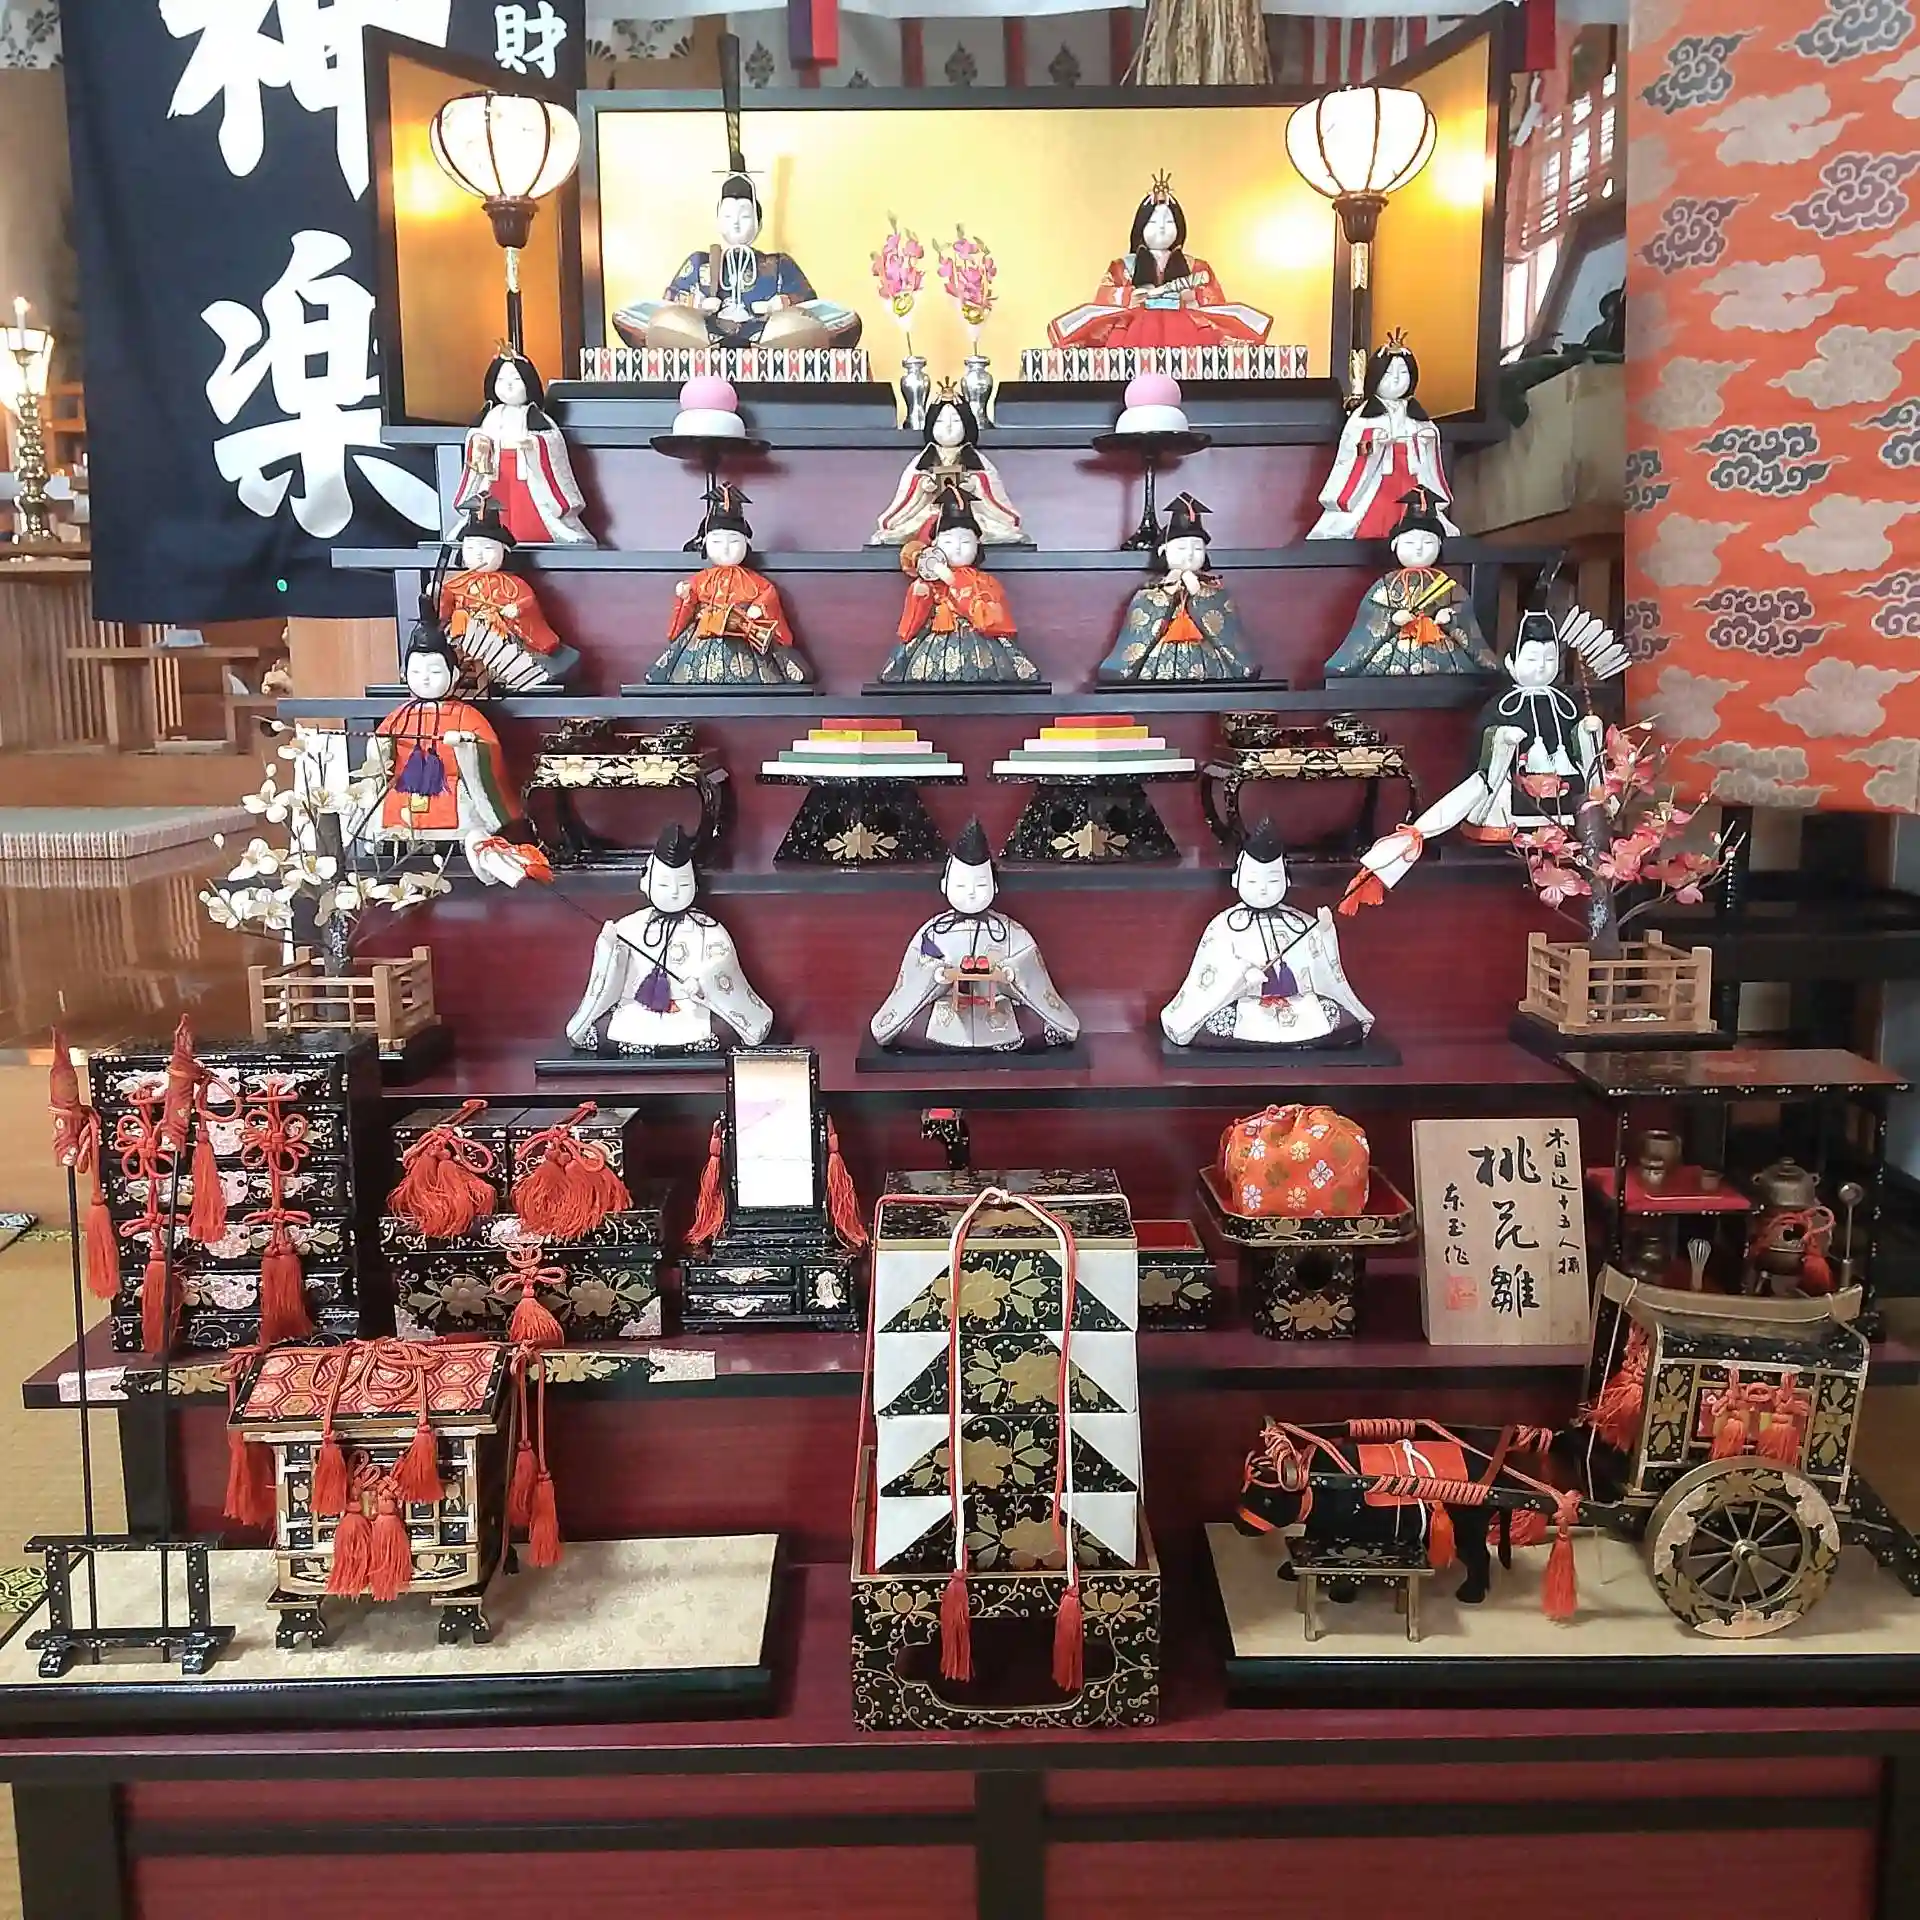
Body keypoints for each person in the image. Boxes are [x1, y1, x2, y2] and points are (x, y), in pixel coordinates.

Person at [1340, 592, 1628, 909]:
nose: (1541, 667)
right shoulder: (1501, 706)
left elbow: (1581, 749)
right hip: (1513, 788)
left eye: (1549, 660)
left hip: (1561, 796)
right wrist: (1503, 738)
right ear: (1512, 662)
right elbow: (1485, 756)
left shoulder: (1566, 704)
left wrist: (1587, 732)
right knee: (1503, 790)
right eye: (1532, 659)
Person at [365, 622, 549, 887]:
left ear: (453, 675)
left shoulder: (465, 715)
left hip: (449, 785)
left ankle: (469, 849)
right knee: (388, 807)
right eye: (416, 671)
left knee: (462, 811)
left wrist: (466, 745)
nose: (425, 678)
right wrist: (379, 748)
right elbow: (382, 747)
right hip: (406, 787)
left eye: (434, 671)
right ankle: (396, 849)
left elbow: (486, 748)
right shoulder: (399, 716)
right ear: (405, 674)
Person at [870, 820, 1080, 1053]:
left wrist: (1010, 973)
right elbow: (918, 968)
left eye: (980, 885)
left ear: (995, 887)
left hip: (999, 1007)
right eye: (961, 885)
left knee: (1035, 1026)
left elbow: (1028, 963)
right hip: (946, 1009)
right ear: (944, 885)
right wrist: (937, 974)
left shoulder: (1009, 930)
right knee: (913, 1028)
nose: (970, 894)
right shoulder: (934, 931)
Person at [565, 824, 774, 1056]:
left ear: (695, 884)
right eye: (664, 884)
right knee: (606, 1030)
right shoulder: (629, 926)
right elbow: (611, 970)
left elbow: (723, 967)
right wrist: (610, 947)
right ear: (646, 883)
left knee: (721, 1030)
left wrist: (701, 984)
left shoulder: (708, 930)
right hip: (637, 1009)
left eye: (683, 884)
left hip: (692, 1008)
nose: (674, 892)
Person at [1161, 823, 1373, 1050]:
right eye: (1253, 880)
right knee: (1220, 1023)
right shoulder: (1224, 925)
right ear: (1236, 879)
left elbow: (1320, 964)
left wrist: (1324, 932)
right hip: (1246, 1006)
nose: (1262, 889)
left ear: (1287, 881)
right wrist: (1243, 973)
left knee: (1335, 1017)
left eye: (1272, 881)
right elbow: (1211, 968)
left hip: (1297, 1005)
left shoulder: (1300, 923)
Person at [613, 173, 863, 351]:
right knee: (667, 320)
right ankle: (707, 351)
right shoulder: (700, 261)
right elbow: (671, 301)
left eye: (744, 216)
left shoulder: (779, 264)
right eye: (728, 216)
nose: (735, 223)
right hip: (703, 335)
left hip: (767, 335)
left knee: (801, 324)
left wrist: (777, 305)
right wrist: (698, 305)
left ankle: (763, 351)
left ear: (759, 223)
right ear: (717, 221)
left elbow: (807, 304)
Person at [1047, 173, 1272, 351]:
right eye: (1153, 223)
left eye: (1169, 222)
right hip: (1133, 329)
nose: (1162, 228)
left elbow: (1212, 298)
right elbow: (1106, 296)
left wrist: (1193, 297)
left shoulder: (1196, 266)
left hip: (1187, 328)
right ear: (1141, 227)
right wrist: (1128, 296)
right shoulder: (1123, 266)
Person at [645, 485, 811, 685]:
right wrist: (686, 595)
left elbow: (768, 594)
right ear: (705, 544)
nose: (725, 549)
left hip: (742, 631)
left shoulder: (754, 580)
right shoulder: (701, 579)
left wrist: (758, 607)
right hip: (705, 632)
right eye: (717, 542)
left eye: (733, 542)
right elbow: (689, 600)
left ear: (745, 545)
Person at [1323, 488, 1496, 677]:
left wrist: (1450, 617)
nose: (1419, 549)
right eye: (1410, 543)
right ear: (1394, 545)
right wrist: (1392, 618)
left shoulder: (1447, 585)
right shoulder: (1387, 584)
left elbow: (1463, 612)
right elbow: (1371, 613)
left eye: (1428, 543)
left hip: (1441, 650)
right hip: (1396, 651)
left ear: (1439, 545)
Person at [877, 487, 1039, 685]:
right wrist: (921, 593)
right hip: (936, 639)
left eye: (965, 541)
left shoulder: (986, 582)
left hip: (979, 644)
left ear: (978, 544)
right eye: (948, 541)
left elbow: (993, 617)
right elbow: (913, 621)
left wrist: (953, 583)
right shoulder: (931, 580)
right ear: (935, 544)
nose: (957, 548)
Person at [1308, 335, 1456, 542]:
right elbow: (1353, 449)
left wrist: (1424, 440)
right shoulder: (1363, 417)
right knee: (1372, 514)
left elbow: (1430, 441)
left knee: (1413, 513)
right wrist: (1376, 441)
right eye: (1388, 373)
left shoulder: (1416, 415)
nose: (1396, 379)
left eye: (1403, 373)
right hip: (1377, 475)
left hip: (1410, 474)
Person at [1098, 493, 1260, 681]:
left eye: (1197, 549)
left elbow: (1226, 626)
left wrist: (1198, 593)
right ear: (1163, 551)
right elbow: (1139, 625)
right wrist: (1166, 594)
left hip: (1209, 664)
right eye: (1182, 548)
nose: (1189, 555)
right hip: (1158, 664)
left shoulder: (1217, 591)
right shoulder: (1149, 592)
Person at [449, 352, 594, 547]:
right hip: (495, 473)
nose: (508, 385)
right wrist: (479, 444)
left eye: (516, 379)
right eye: (501, 380)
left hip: (525, 472)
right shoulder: (490, 416)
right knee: (492, 509)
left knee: (527, 508)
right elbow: (474, 437)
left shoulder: (533, 415)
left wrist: (533, 444)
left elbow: (551, 440)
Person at [438, 503, 576, 693]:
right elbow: (443, 610)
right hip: (466, 638)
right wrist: (438, 594)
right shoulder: (456, 583)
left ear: (503, 551)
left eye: (487, 548)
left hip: (502, 636)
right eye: (470, 547)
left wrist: (517, 609)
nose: (478, 554)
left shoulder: (512, 584)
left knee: (513, 655)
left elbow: (527, 603)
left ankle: (512, 676)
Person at [871, 387, 1024, 546]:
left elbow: (991, 487)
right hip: (930, 512)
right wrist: (923, 486)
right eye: (940, 422)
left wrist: (975, 484)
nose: (948, 427)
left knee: (992, 529)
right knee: (911, 529)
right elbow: (908, 489)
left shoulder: (978, 459)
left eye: (956, 421)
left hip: (969, 514)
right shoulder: (921, 459)